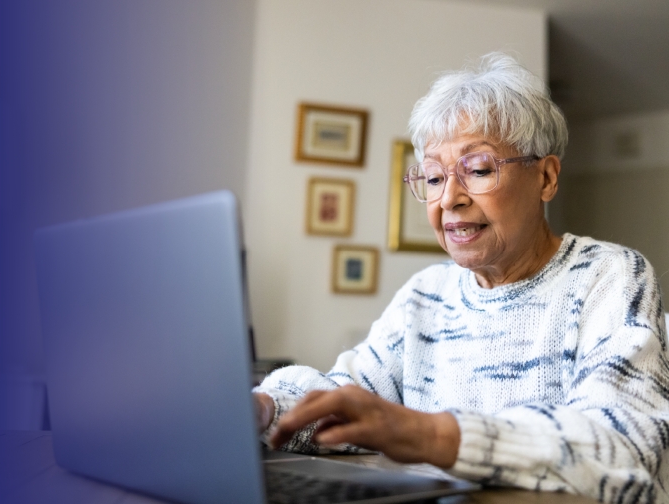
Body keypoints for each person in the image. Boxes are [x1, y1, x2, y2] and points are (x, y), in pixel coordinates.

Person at [253, 52, 669, 503]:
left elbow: (623, 445)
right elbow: (347, 397)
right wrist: (264, 408)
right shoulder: (426, 295)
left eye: (478, 170)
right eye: (433, 177)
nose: (449, 198)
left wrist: (434, 435)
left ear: (546, 178)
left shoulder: (608, 276)